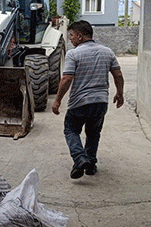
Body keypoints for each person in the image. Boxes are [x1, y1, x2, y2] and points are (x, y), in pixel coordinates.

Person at [51, 20, 125, 179]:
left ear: (80, 36)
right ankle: (90, 164)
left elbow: (67, 79)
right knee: (93, 133)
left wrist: (57, 100)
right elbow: (118, 74)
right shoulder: (108, 52)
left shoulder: (74, 54)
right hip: (100, 102)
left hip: (80, 103)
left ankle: (79, 158)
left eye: (71, 35)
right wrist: (120, 93)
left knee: (71, 129)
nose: (70, 39)